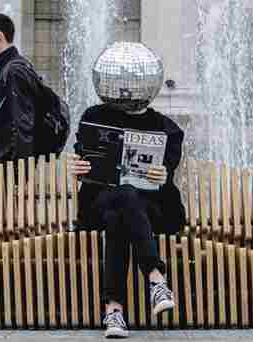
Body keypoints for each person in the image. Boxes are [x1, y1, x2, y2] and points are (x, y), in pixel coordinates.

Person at [69, 42, 186, 338]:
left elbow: (167, 180)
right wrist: (77, 167)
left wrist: (163, 174)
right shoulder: (94, 117)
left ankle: (114, 312)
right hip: (100, 204)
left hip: (150, 211)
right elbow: (83, 158)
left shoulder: (167, 129)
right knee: (124, 197)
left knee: (122, 209)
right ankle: (156, 278)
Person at [0, 13, 40, 174]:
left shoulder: (13, 70)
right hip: (7, 172)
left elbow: (23, 125)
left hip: (10, 176)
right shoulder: (11, 68)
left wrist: (20, 176)